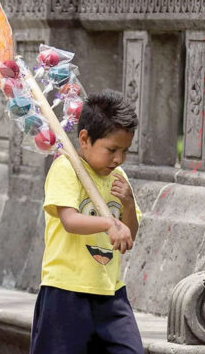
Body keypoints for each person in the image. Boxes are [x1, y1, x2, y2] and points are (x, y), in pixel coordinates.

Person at [30, 89, 144, 354]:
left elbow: (129, 235)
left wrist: (127, 204)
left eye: (125, 151)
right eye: (112, 149)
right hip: (65, 290)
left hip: (110, 291)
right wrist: (107, 224)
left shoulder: (119, 177)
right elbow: (69, 220)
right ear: (84, 139)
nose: (118, 159)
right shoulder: (66, 167)